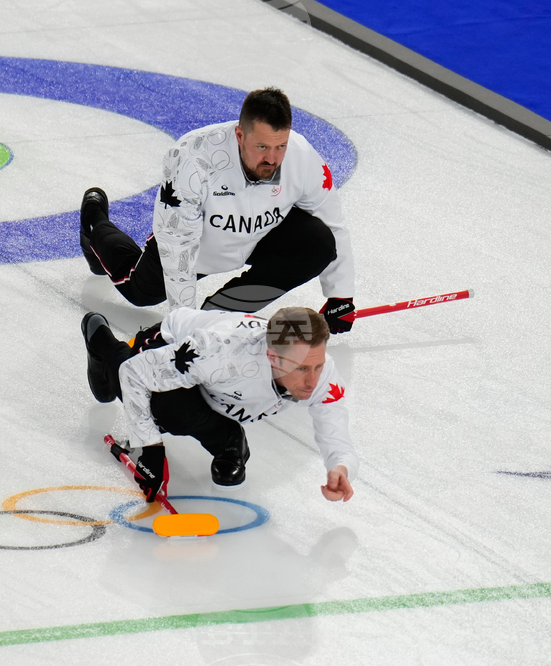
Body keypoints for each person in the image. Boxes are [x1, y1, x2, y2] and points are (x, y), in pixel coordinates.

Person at [78, 87, 356, 334]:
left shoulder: (301, 155)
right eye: (262, 147)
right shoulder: (192, 158)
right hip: (197, 246)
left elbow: (331, 220)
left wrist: (340, 296)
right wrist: (184, 327)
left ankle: (221, 312)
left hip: (260, 236)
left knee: (318, 243)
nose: (272, 158)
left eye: (279, 146)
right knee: (139, 291)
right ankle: (95, 225)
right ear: (239, 135)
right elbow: (178, 246)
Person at [81, 306, 357, 502]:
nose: (313, 381)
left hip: (216, 384)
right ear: (273, 357)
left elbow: (333, 424)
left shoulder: (318, 367)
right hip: (171, 347)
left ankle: (228, 439)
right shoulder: (220, 353)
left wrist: (340, 467)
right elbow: (133, 372)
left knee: (191, 405)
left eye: (318, 366)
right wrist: (151, 450)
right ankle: (100, 339)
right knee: (168, 409)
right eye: (302, 370)